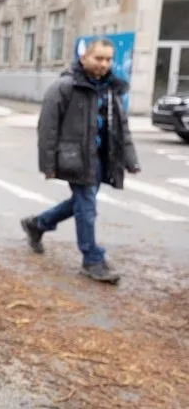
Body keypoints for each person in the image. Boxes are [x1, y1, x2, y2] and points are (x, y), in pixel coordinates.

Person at [20, 38, 140, 284]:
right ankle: (92, 259)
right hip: (76, 159)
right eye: (99, 58)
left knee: (80, 202)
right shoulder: (64, 87)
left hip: (102, 160)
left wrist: (130, 158)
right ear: (85, 58)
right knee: (87, 207)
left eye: (108, 59)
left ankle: (38, 224)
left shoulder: (111, 89)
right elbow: (47, 128)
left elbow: (121, 128)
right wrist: (49, 165)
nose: (104, 64)